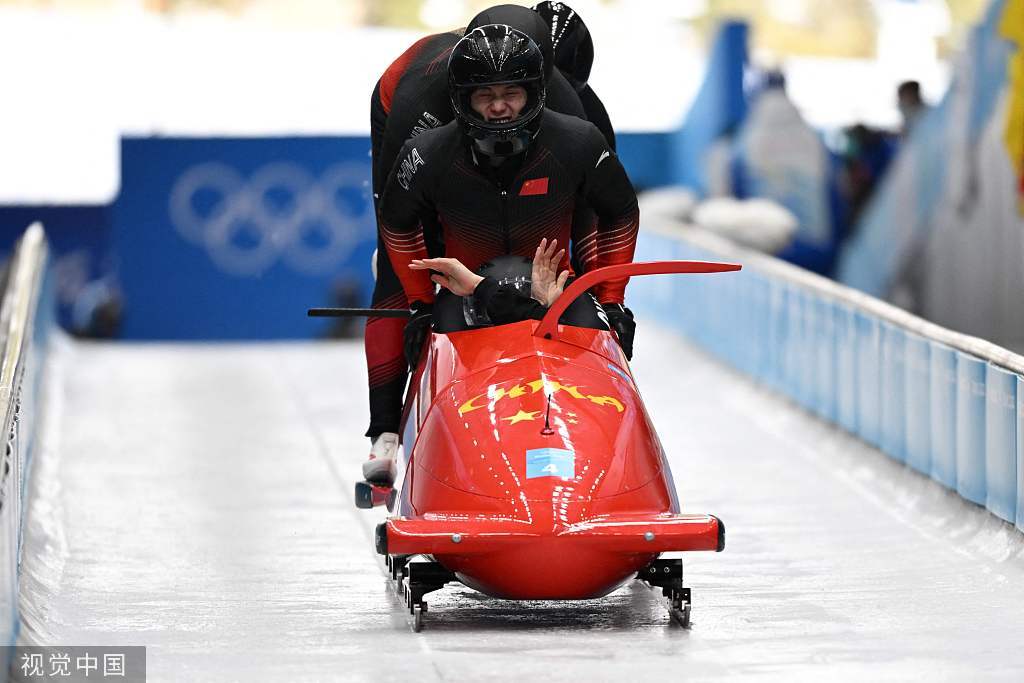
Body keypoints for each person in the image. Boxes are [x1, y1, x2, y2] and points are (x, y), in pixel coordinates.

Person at [364, 24, 639, 485]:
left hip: (546, 279)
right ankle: (385, 434)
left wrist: (609, 299)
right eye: (483, 95)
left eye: (511, 93)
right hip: (463, 278)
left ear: (539, 92)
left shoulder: (578, 134)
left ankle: (606, 459)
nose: (497, 107)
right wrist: (420, 302)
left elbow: (615, 212)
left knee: (591, 319)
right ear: (460, 98)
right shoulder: (423, 142)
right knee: (401, 288)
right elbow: (395, 223)